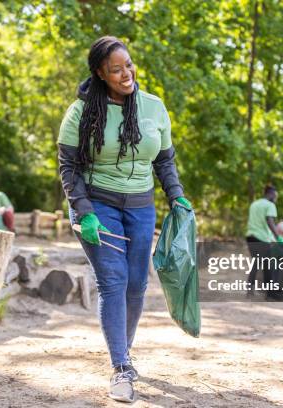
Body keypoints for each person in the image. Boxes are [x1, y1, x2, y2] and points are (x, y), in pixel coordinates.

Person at [58, 36, 191, 403]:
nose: (125, 74)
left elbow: (164, 160)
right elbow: (68, 167)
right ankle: (120, 367)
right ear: (100, 74)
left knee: (136, 285)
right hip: (96, 205)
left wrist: (176, 195)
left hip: (141, 207)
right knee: (113, 281)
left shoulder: (153, 107)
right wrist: (83, 212)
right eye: (115, 69)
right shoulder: (80, 113)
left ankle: (124, 353)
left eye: (128, 65)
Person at [245, 185, 280, 294]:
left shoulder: (254, 204)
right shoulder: (270, 205)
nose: (276, 198)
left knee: (256, 263)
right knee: (268, 265)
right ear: (271, 194)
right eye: (275, 195)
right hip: (261, 238)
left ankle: (250, 290)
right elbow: (270, 221)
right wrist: (278, 237)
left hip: (250, 236)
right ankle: (270, 292)